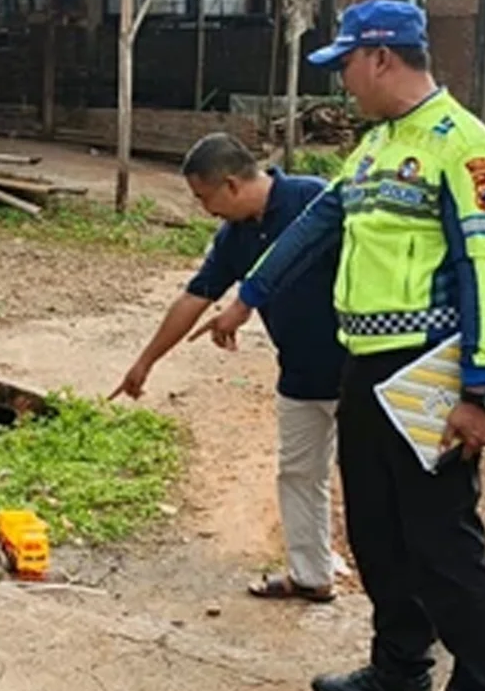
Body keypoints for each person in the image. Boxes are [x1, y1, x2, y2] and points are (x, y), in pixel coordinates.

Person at [195, 0, 485, 691]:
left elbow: (484, 270)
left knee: (443, 545)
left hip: (432, 373)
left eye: (345, 65)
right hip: (365, 368)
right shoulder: (375, 148)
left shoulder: (462, 146)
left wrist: (481, 391)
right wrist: (249, 293)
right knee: (376, 532)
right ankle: (401, 673)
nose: (341, 81)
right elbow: (317, 226)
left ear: (380, 58)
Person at [111, 134, 347, 602]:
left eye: (205, 198)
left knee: (369, 483)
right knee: (299, 474)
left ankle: (401, 604)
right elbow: (195, 298)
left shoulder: (313, 199)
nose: (204, 210)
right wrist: (145, 362)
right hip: (298, 373)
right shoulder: (234, 236)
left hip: (354, 372)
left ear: (232, 184)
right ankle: (311, 575)